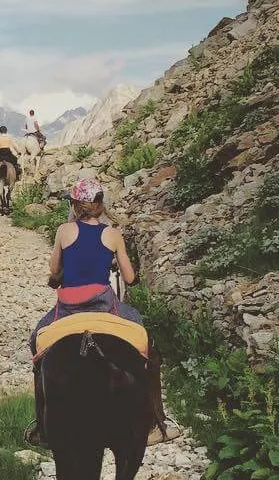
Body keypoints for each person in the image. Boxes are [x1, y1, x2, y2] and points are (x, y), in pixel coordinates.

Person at [25, 178, 179, 447]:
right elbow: (129, 278)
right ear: (100, 204)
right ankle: (157, 423)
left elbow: (53, 269)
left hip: (68, 305)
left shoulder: (63, 230)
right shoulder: (113, 234)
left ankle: (42, 427)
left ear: (74, 204)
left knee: (37, 341)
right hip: (104, 302)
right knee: (146, 343)